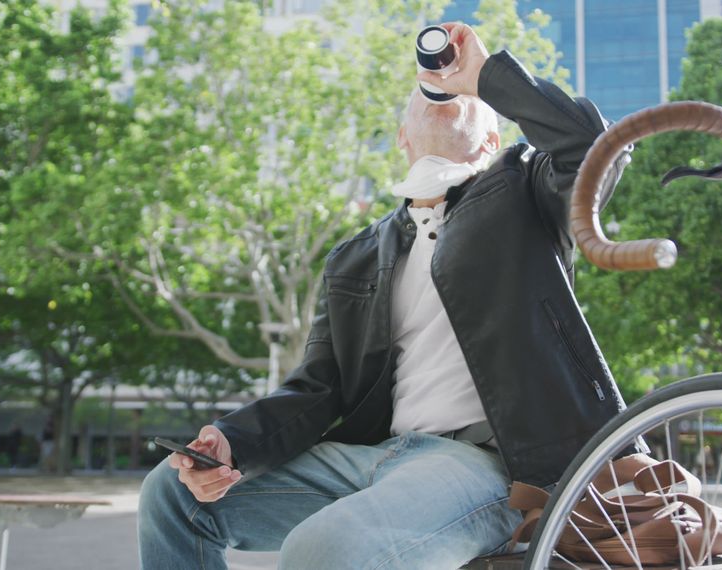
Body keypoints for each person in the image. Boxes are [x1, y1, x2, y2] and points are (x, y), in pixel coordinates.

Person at [138, 22, 636, 569]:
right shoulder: (357, 255)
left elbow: (595, 146)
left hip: (484, 467)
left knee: (324, 548)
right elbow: (318, 388)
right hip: (374, 457)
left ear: (491, 140)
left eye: (462, 99)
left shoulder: (527, 195)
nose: (440, 92)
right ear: (402, 137)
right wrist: (232, 441)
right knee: (171, 493)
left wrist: (485, 77)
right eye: (424, 95)